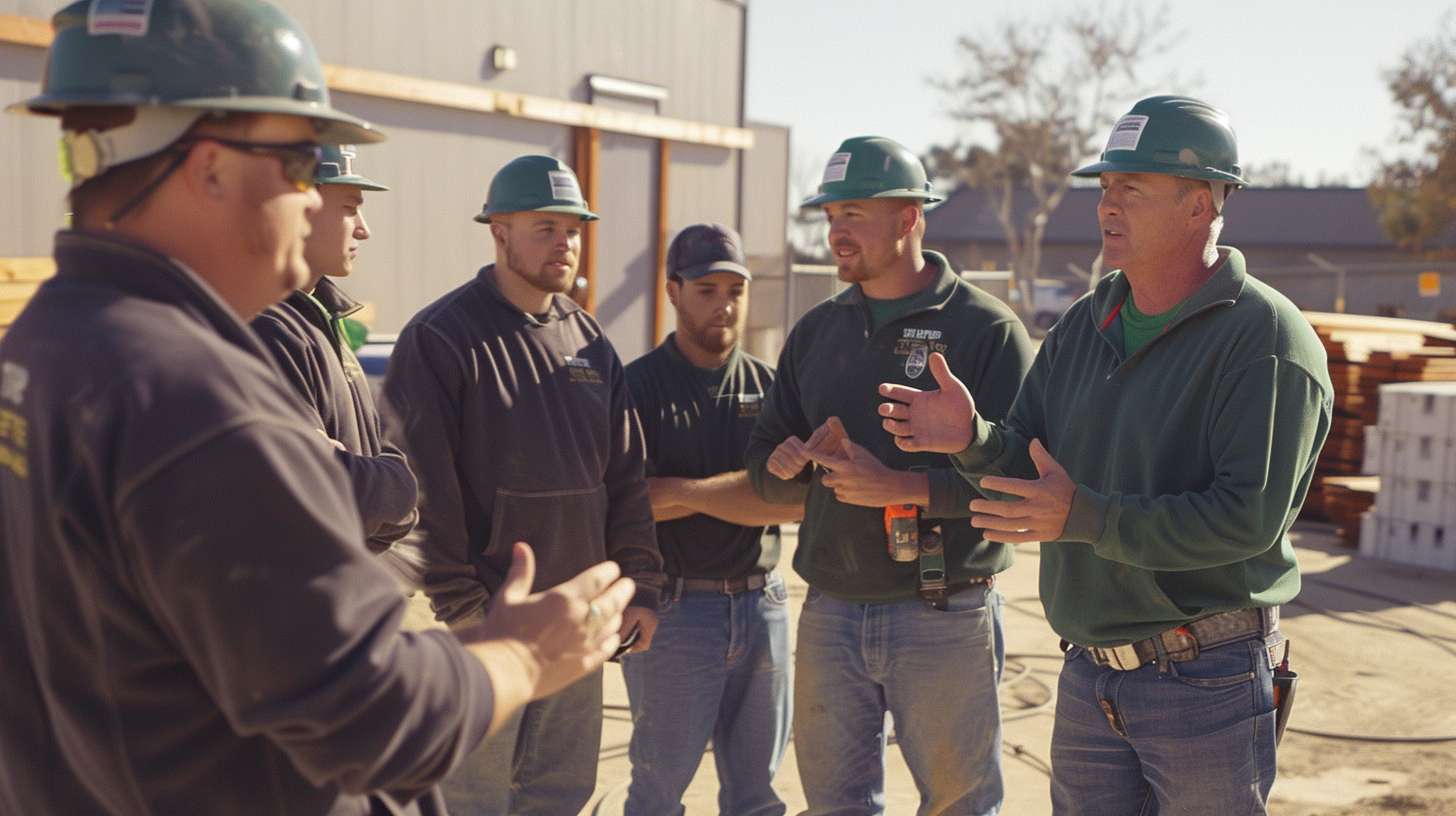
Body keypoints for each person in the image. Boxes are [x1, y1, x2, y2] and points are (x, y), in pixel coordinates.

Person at [0, 2, 633, 813]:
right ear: (210, 168)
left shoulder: (48, 342)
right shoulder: (191, 396)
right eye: (302, 165)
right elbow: (371, 715)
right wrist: (522, 655)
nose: (315, 203)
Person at [877, 95, 1333, 815]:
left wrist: (1085, 517)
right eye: (1106, 186)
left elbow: (1245, 521)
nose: (1108, 205)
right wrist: (972, 439)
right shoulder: (1083, 328)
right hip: (1090, 677)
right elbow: (1031, 474)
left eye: (1134, 188)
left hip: (1206, 676)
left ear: (1201, 204)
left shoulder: (1265, 340)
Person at [744, 136, 1035, 815]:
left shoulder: (986, 330)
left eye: (853, 214)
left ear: (909, 218)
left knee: (960, 805)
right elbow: (763, 462)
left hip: (944, 611)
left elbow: (1024, 483)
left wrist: (905, 488)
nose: (835, 232)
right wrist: (783, 465)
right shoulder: (815, 332)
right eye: (830, 215)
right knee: (834, 805)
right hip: (830, 611)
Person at [381, 154, 665, 814]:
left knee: (558, 794)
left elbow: (625, 475)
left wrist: (640, 585)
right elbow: (422, 489)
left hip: (575, 620)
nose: (565, 243)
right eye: (545, 228)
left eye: (573, 230)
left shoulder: (588, 339)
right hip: (484, 623)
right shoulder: (442, 337)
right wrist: (464, 606)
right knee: (470, 800)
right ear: (499, 231)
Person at [622, 223, 804, 815]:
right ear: (673, 291)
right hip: (674, 613)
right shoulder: (637, 388)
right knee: (658, 794)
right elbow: (629, 503)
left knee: (758, 797)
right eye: (706, 290)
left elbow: (796, 502)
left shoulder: (770, 388)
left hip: (763, 605)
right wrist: (746, 492)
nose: (724, 304)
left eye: (735, 290)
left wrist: (681, 491)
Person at [251, 144, 419, 578]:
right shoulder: (266, 330)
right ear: (301, 206)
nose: (364, 230)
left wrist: (383, 491)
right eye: (350, 208)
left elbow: (382, 473)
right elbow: (322, 494)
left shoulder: (319, 320)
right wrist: (392, 490)